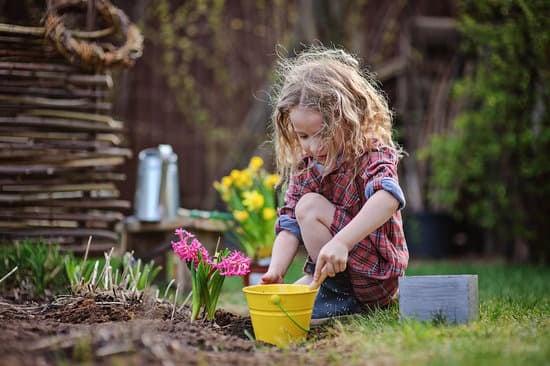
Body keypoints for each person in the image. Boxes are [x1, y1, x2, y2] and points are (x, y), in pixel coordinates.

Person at [260, 45, 409, 320]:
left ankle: (341, 295)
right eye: (303, 136)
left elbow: (388, 197)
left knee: (310, 207)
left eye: (322, 133)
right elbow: (290, 221)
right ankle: (333, 290)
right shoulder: (306, 165)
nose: (313, 146)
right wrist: (276, 269)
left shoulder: (370, 152)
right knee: (285, 305)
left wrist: (341, 242)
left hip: (376, 273)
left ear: (349, 120)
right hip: (340, 268)